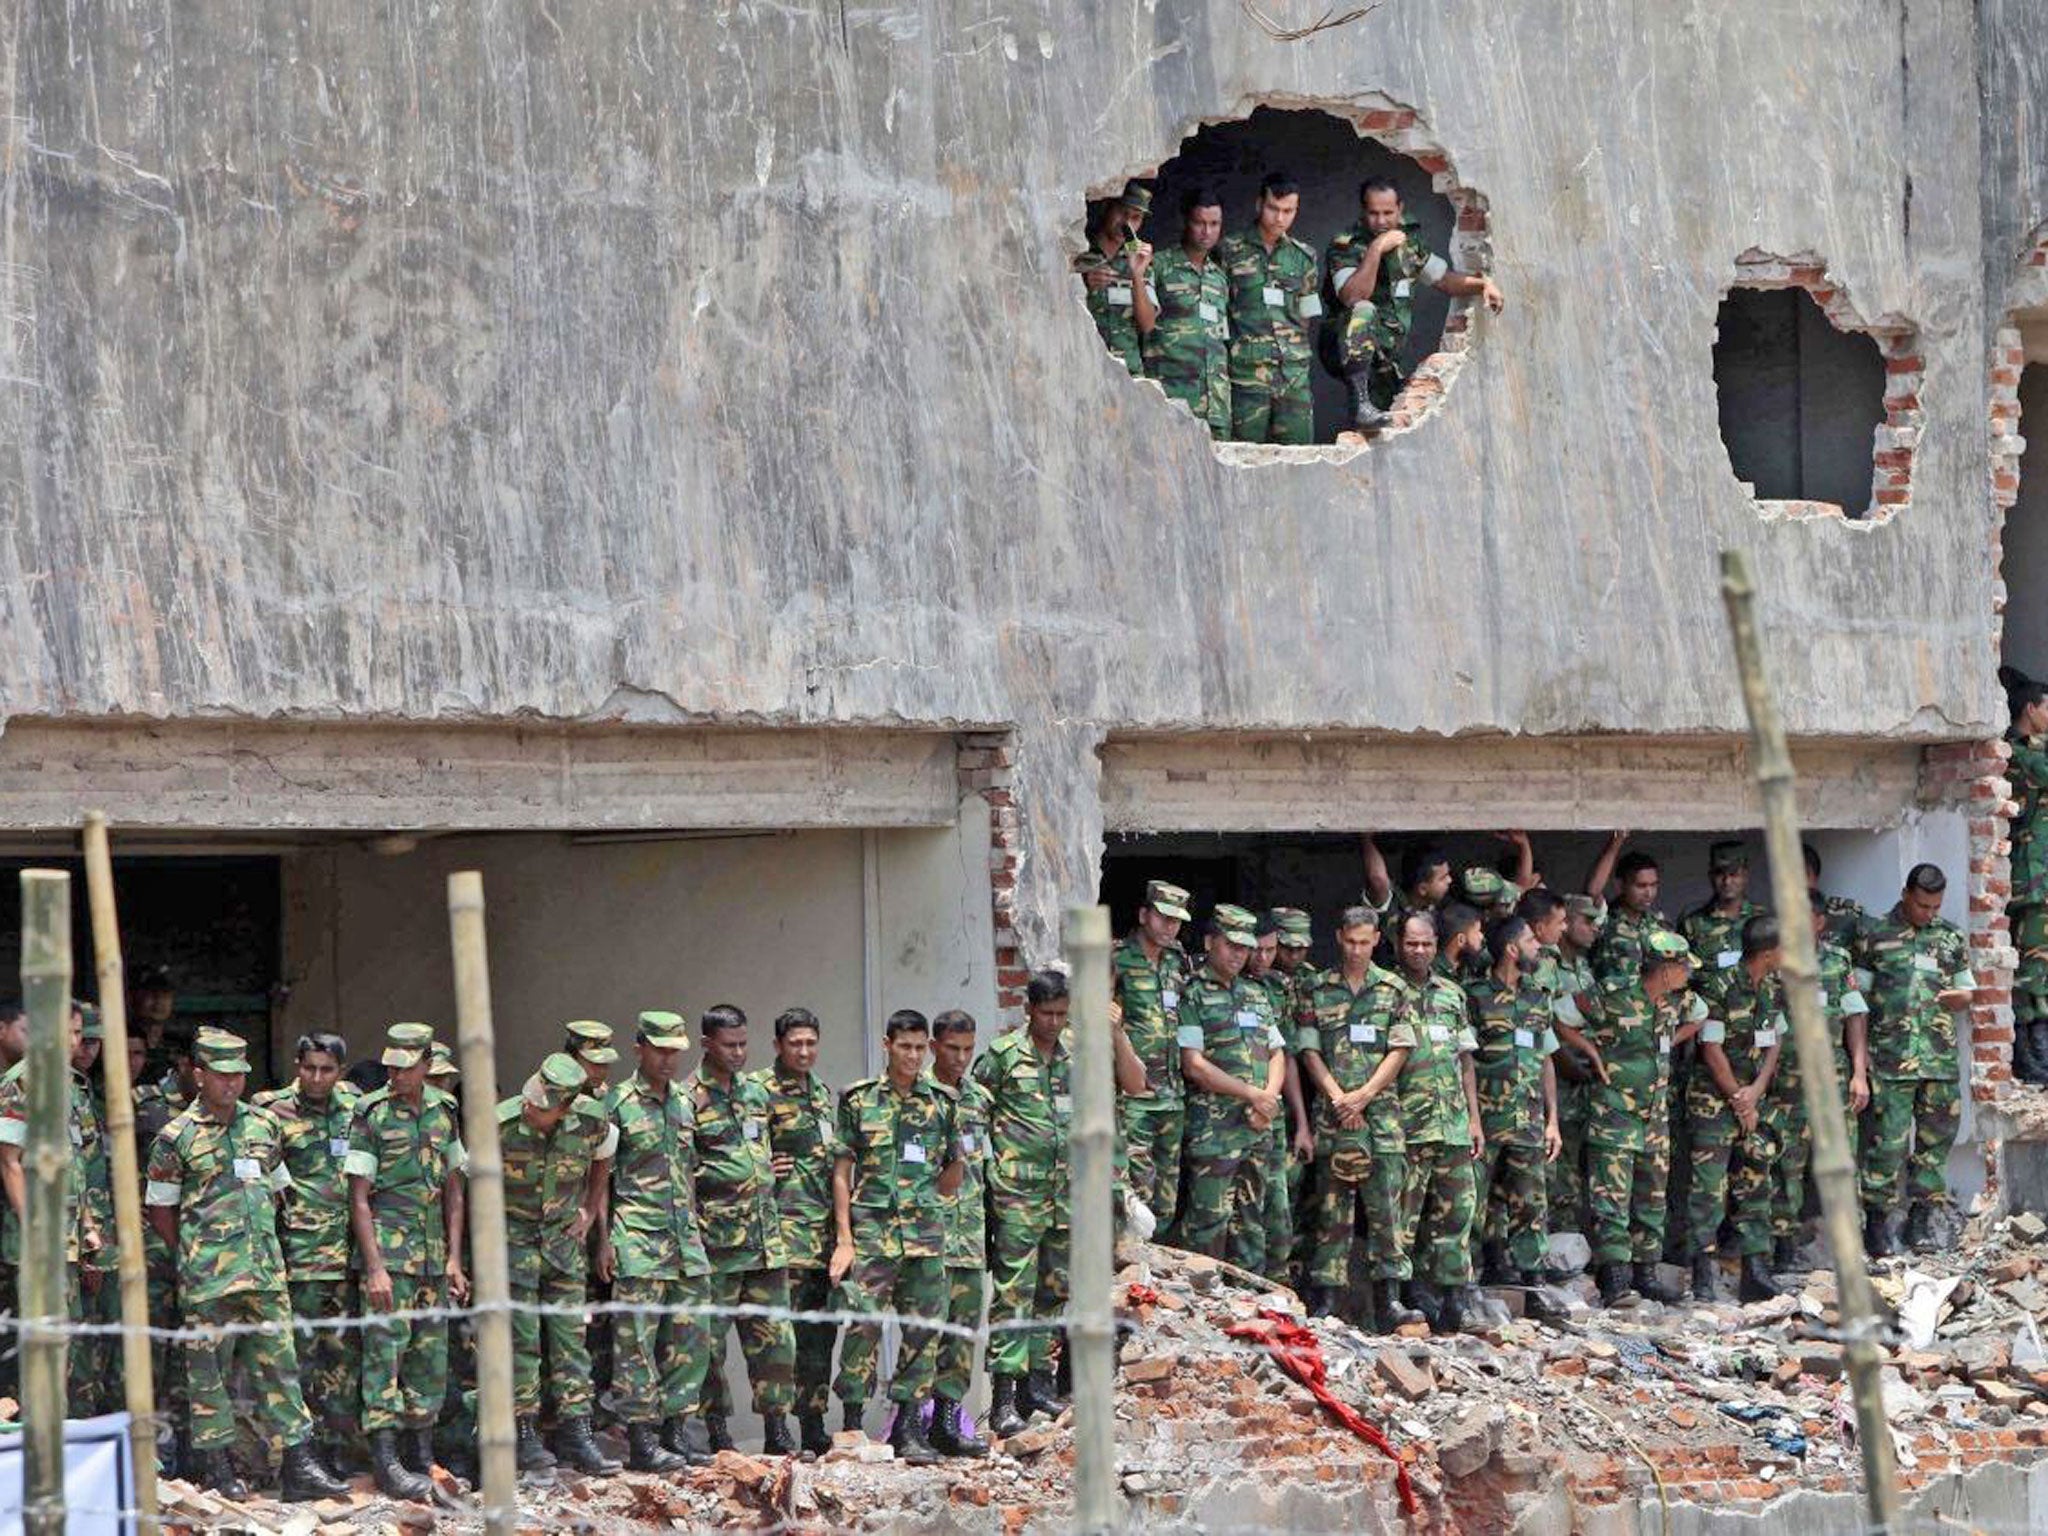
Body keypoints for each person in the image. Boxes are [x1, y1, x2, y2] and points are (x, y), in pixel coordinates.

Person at [146, 1028, 349, 1501]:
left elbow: (280, 1189)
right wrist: (196, 1256)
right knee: (208, 1372)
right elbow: (161, 1210)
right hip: (209, 1277)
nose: (231, 1084)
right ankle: (217, 1469)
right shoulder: (176, 1137)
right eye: (221, 1075)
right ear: (200, 1075)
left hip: (264, 1273)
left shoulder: (262, 1125)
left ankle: (299, 1466)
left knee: (280, 1365)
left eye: (238, 1075)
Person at [830, 1009, 964, 1465]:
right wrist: (845, 1237)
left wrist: (931, 1201)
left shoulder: (943, 1103)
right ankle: (851, 1423)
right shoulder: (858, 1099)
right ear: (886, 1045)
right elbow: (843, 1170)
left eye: (920, 1047)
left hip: (925, 1238)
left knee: (923, 1332)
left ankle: (908, 1428)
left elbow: (953, 1171)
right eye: (904, 1046)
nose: (912, 1055)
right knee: (862, 1328)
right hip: (873, 1235)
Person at [345, 1022, 469, 1499]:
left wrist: (455, 1258)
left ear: (426, 1067)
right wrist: (374, 1267)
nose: (395, 1074)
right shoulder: (370, 1113)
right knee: (384, 1356)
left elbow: (453, 1189)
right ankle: (387, 1460)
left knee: (429, 1357)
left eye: (405, 1066)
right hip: (390, 1255)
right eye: (391, 1065)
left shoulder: (445, 1110)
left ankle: (420, 1452)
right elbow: (359, 1197)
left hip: (433, 1256)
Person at [1559, 929, 1704, 1305]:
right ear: (1666, 969)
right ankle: (1616, 1278)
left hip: (1654, 1117)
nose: (1688, 973)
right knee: (1611, 1198)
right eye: (1683, 967)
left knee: (1652, 1196)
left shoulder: (1678, 1000)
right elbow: (1558, 1017)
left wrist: (1673, 1041)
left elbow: (1702, 1016)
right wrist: (1590, 1051)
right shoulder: (1612, 994)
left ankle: (1647, 1273)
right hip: (1614, 1112)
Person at [599, 1010, 714, 1472]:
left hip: (685, 1241)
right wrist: (603, 1240)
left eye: (675, 1052)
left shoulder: (685, 1103)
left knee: (690, 1338)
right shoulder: (618, 1103)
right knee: (636, 1343)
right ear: (639, 1049)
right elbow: (600, 1177)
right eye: (661, 1050)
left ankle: (676, 1431)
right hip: (636, 1238)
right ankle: (642, 1439)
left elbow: (688, 1168)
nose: (668, 1060)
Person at [1297, 907, 1419, 1330]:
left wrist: (1364, 1096)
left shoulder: (1393, 989)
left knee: (1386, 1209)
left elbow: (1400, 1050)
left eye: (1365, 943)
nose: (1356, 950)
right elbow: (1309, 1050)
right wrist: (1338, 1098)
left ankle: (1390, 1300)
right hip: (1334, 1116)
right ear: (1338, 937)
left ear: (1376, 940)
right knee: (1333, 1211)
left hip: (1380, 1118)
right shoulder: (1318, 988)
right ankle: (1327, 1298)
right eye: (1350, 942)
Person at [689, 1004, 798, 1455]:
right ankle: (716, 1433)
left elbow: (758, 1147)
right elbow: (681, 1168)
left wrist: (765, 1170)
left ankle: (777, 1429)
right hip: (717, 1246)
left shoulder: (755, 1094)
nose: (738, 1053)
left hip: (765, 1244)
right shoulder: (687, 1098)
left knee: (775, 1343)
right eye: (729, 1045)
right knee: (710, 1349)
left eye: (743, 1044)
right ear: (707, 1045)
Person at [253, 1032, 363, 1472]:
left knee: (340, 1358)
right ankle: (297, 1453)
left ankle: (337, 1447)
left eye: (327, 1070)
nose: (316, 1078)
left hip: (344, 1256)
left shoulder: (356, 1110)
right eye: (308, 1068)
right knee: (292, 1358)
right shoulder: (270, 1109)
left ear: (340, 1071)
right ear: (297, 1065)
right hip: (294, 1256)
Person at [1855, 865, 1974, 1254]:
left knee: (1934, 1143)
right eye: (1923, 905)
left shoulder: (1949, 937)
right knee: (1886, 1144)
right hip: (1891, 1060)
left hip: (1938, 1060)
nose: (1929, 913)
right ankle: (1877, 1224)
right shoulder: (1875, 936)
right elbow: (1857, 1007)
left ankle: (1921, 1221)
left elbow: (1966, 991)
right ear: (1906, 894)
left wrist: (1957, 998)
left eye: (1935, 907)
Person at [1323, 176, 1505, 430]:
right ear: (1364, 212)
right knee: (1364, 308)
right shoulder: (1346, 245)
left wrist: (1483, 283)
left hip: (1385, 354)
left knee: (1383, 427)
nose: (1382, 221)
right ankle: (1360, 404)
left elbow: (1444, 280)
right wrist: (1376, 249)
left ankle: (1367, 414)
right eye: (1373, 213)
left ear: (1400, 209)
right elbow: (1354, 296)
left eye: (1388, 212)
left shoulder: (1408, 245)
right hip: (1346, 346)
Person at [1178, 903, 1287, 1271]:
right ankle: (1203, 1307)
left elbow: (1277, 1052)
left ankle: (1248, 1304)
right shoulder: (1191, 993)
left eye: (1245, 947)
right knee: (1209, 1220)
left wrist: (1268, 1097)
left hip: (1257, 1126)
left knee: (1251, 1221)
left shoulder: (1256, 995)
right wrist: (1252, 1095)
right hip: (1215, 1130)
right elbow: (1194, 1064)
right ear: (1210, 942)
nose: (1240, 955)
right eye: (1231, 945)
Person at [752, 1007, 841, 1456]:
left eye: (811, 1042)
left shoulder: (822, 1093)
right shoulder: (758, 1091)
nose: (804, 1051)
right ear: (778, 1046)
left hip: (821, 1237)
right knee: (777, 1340)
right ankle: (776, 1428)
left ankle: (813, 1423)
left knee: (817, 1336)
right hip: (782, 1234)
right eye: (795, 1043)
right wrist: (760, 1166)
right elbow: (739, 1150)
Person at [1392, 910, 1484, 1333]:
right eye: (1412, 943)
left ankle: (1454, 1302)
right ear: (1398, 944)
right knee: (1403, 1218)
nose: (1419, 950)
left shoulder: (1452, 993)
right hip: (1407, 1124)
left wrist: (1474, 1120)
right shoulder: (1386, 991)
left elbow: (1466, 1061)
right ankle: (1404, 1298)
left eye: (1426, 943)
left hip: (1451, 1125)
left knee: (1457, 1215)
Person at [1684, 917, 1784, 1302]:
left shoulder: (1772, 986)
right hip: (1714, 1102)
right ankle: (1704, 1274)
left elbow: (1775, 1040)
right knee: (1709, 1189)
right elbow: (1711, 1049)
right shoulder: (1718, 986)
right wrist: (1738, 1099)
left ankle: (1754, 1269)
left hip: (1751, 1100)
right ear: (1768, 952)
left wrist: (1755, 1091)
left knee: (1756, 1177)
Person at [1768, 893, 1870, 1268]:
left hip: (1834, 1084)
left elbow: (1855, 1017)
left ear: (1819, 922)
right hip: (1787, 1086)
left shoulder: (1838, 962)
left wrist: (1860, 1074)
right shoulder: (1775, 963)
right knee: (1785, 1166)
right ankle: (1782, 1247)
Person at [1466, 916, 1561, 1300]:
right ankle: (1469, 1276)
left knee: (1530, 1201)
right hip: (1487, 1120)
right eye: (1531, 940)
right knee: (1475, 1201)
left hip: (1529, 1120)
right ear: (1510, 949)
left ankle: (1531, 1277)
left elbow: (1547, 1059)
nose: (1538, 946)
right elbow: (1465, 1062)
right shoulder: (1474, 996)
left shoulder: (1538, 997)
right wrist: (1472, 1116)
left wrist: (1553, 1120)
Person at [1111, 879, 1194, 1238]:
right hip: (1135, 1097)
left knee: (1166, 1199)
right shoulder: (1118, 959)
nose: (1170, 927)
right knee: (1137, 1195)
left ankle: (1156, 1276)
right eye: (1163, 918)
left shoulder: (1178, 962)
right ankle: (1134, 1274)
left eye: (1176, 921)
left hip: (1172, 1095)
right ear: (1144, 915)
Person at [927, 1009, 991, 1458]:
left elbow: (984, 1170)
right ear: (934, 1047)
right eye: (952, 1049)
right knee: (922, 1335)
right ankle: (909, 1423)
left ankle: (949, 1423)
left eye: (969, 1049)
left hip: (969, 1237)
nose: (962, 1058)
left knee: (962, 1333)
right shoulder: (916, 1097)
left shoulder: (979, 1099)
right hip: (925, 1239)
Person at [1220, 172, 1321, 444]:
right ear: (1258, 205)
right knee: (1244, 455)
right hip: (1247, 375)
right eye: (1273, 209)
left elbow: (1308, 314)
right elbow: (1220, 310)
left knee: (1300, 458)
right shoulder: (1229, 250)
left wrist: (1293, 351)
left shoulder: (1305, 257)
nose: (1279, 218)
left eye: (1288, 211)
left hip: (1293, 376)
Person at [1527, 889, 1600, 1233]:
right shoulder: (1539, 964)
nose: (1594, 928)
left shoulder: (1578, 966)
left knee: (1573, 1170)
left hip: (1573, 1083)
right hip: (1547, 1080)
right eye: (1564, 922)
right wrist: (1574, 1065)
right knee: (1554, 1173)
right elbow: (1545, 1026)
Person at [1141, 185, 1232, 438]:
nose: (1207, 232)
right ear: (1185, 221)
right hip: (1174, 398)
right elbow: (1145, 322)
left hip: (1216, 405)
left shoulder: (1219, 277)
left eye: (1214, 224)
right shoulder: (1159, 265)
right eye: (1199, 223)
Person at [71, 1003, 119, 1416]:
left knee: (105, 1331)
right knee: (79, 1337)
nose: (88, 1050)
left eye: (94, 1042)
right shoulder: (51, 1089)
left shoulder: (90, 1092)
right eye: (81, 1039)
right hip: (78, 1236)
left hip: (102, 1231)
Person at [2002, 667, 2048, 1084]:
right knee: (2033, 969)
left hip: (2041, 879)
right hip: (2031, 880)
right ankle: (2031, 1055)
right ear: (2031, 709)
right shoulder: (2018, 752)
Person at [1073, 180, 1155, 376]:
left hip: (1127, 373)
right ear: (1107, 208)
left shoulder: (1140, 260)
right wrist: (1084, 284)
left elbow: (1148, 324)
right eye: (1122, 213)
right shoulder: (1078, 253)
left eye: (1135, 218)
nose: (1127, 224)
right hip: (1084, 368)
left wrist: (1136, 276)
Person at [1360, 837, 1453, 967]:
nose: (1450, 880)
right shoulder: (1394, 904)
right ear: (1422, 889)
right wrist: (1366, 838)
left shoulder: (1443, 905)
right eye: (1443, 878)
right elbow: (1378, 879)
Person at [562, 1019, 620, 1089]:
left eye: (605, 1064)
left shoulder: (603, 1094)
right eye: (595, 1064)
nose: (602, 1071)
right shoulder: (551, 1095)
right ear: (572, 1060)